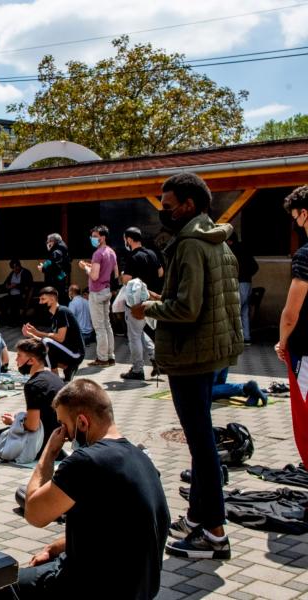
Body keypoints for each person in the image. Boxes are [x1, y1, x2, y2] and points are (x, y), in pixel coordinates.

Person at [132, 172, 242, 559]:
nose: (164, 212)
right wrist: (162, 295)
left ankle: (213, 534)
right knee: (201, 442)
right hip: (208, 352)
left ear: (189, 206)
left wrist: (147, 307)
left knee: (202, 445)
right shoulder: (216, 240)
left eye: (168, 205)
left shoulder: (191, 245)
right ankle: (198, 518)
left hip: (190, 357)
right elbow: (201, 299)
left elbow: (187, 308)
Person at [0, 379, 169, 600]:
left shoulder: (86, 461)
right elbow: (120, 530)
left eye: (64, 426)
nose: (64, 435)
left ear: (82, 422)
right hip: (139, 589)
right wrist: (57, 547)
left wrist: (49, 451)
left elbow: (34, 513)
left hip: (90, 588)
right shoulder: (142, 459)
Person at [276, 185, 308, 465]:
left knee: (305, 419)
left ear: (305, 215)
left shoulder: (305, 255)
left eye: (296, 217)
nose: (295, 223)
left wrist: (283, 341)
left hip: (305, 349)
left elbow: (290, 312)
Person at [0, 339, 61, 462]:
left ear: (31, 361)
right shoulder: (54, 378)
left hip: (40, 443)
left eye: (19, 356)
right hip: (56, 440)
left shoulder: (33, 385)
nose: (16, 360)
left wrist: (15, 422)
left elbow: (32, 426)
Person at [119, 227, 163, 380]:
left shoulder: (132, 257)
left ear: (129, 240)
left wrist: (122, 276)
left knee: (134, 336)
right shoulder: (152, 253)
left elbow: (126, 280)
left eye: (125, 239)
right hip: (151, 300)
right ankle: (155, 358)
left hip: (136, 303)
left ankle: (137, 369)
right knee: (142, 332)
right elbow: (160, 272)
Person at [22, 287, 85, 382]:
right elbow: (53, 341)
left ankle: (55, 379)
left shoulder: (62, 312)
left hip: (76, 354)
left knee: (46, 343)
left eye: (43, 299)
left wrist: (37, 333)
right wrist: (31, 335)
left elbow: (60, 338)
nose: (40, 302)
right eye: (40, 299)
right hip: (67, 350)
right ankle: (67, 368)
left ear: (52, 299)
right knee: (39, 352)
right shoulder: (55, 316)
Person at [78, 225, 117, 367]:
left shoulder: (98, 253)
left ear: (103, 237)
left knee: (99, 327)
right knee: (107, 325)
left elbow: (94, 276)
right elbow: (115, 273)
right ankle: (110, 356)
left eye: (95, 236)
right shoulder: (112, 252)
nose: (93, 239)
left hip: (97, 292)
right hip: (107, 290)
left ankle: (102, 359)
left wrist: (85, 267)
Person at [227, 233, 258, 345]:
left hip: (239, 283)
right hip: (248, 284)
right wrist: (247, 274)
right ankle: (247, 337)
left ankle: (235, 339)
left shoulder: (232, 251)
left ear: (230, 241)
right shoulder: (245, 249)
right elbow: (255, 267)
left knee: (235, 312)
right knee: (244, 311)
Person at [38, 233, 70, 303]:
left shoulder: (57, 251)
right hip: (59, 280)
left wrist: (43, 269)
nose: (47, 243)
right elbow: (51, 261)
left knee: (56, 301)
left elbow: (55, 267)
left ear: (52, 241)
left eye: (48, 242)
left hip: (57, 282)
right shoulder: (58, 249)